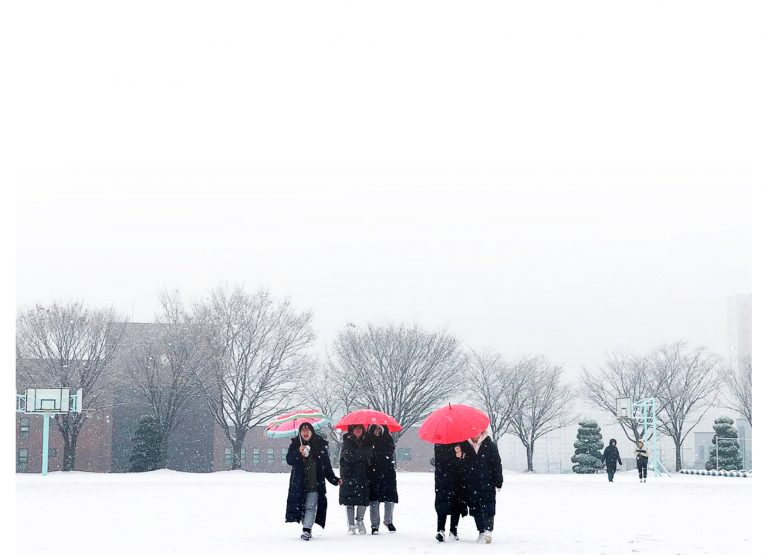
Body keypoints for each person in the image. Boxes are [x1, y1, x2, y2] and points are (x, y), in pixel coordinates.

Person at [285, 422, 341, 541]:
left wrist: (334, 480)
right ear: (300, 433)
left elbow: (326, 466)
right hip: (299, 484)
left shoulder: (320, 445)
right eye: (303, 430)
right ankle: (306, 525)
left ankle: (306, 529)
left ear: (312, 432)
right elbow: (290, 460)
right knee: (302, 508)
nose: (305, 432)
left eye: (308, 430)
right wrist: (298, 452)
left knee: (311, 507)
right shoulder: (295, 444)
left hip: (315, 483)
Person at [463, 429, 503, 544]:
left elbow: (497, 464)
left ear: (482, 432)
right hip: (472, 483)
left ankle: (488, 530)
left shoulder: (489, 445)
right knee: (475, 508)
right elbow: (462, 465)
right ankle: (481, 531)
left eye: (477, 431)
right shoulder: (465, 445)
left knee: (488, 505)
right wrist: (460, 455)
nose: (474, 434)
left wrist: (498, 481)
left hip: (487, 482)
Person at [432, 442, 469, 542]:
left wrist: (461, 457)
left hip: (458, 479)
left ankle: (453, 531)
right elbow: (440, 460)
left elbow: (465, 462)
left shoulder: (462, 442)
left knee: (456, 505)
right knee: (442, 505)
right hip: (443, 480)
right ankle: (441, 530)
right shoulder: (440, 442)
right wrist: (453, 453)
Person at [339, 424, 372, 534]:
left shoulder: (367, 441)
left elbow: (370, 454)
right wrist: (363, 452)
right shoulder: (347, 442)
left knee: (363, 502)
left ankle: (360, 521)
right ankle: (351, 525)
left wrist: (359, 454)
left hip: (364, 475)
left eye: (360, 428)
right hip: (349, 476)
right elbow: (348, 457)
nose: (358, 430)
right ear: (352, 430)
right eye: (355, 428)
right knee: (350, 502)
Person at [367, 424, 398, 534]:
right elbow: (367, 455)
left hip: (387, 473)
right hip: (373, 474)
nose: (377, 430)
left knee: (389, 499)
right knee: (374, 500)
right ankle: (375, 525)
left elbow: (389, 454)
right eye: (375, 428)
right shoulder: (368, 440)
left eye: (379, 428)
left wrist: (377, 454)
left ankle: (388, 521)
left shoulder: (388, 439)